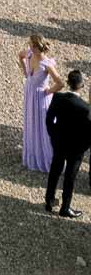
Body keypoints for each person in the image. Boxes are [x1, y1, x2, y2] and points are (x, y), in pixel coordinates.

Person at [45, 70, 91, 216]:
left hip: (59, 142)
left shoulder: (58, 97)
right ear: (81, 85)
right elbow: (89, 132)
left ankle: (49, 200)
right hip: (76, 148)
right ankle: (65, 207)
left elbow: (49, 120)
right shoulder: (85, 108)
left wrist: (53, 136)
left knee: (55, 171)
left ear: (68, 82)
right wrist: (83, 148)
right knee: (70, 177)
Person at [19, 33, 63, 172]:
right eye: (30, 46)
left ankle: (47, 156)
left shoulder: (47, 64)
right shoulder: (29, 54)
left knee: (44, 125)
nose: (30, 48)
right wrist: (25, 72)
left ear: (39, 47)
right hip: (30, 94)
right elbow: (20, 55)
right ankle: (34, 152)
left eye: (32, 46)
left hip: (41, 97)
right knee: (31, 121)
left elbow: (60, 83)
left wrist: (49, 91)